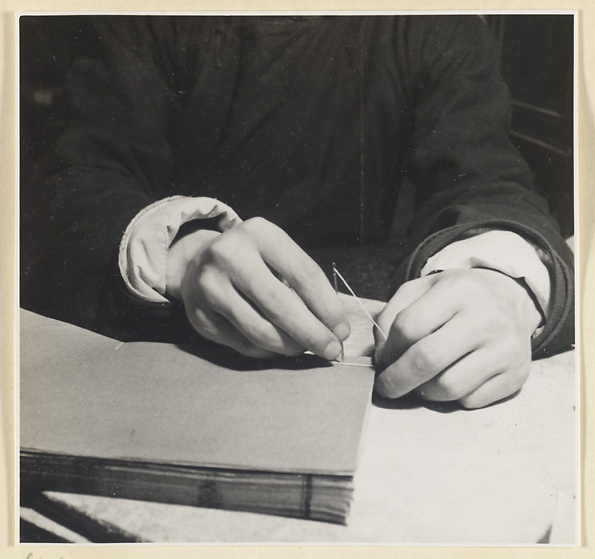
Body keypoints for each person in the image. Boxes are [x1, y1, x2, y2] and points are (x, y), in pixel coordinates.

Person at [21, 15, 574, 409]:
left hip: (357, 359)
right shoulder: (147, 20)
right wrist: (184, 257)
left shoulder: (434, 24)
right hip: (165, 365)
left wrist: (502, 285)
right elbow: (70, 183)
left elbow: (491, 180)